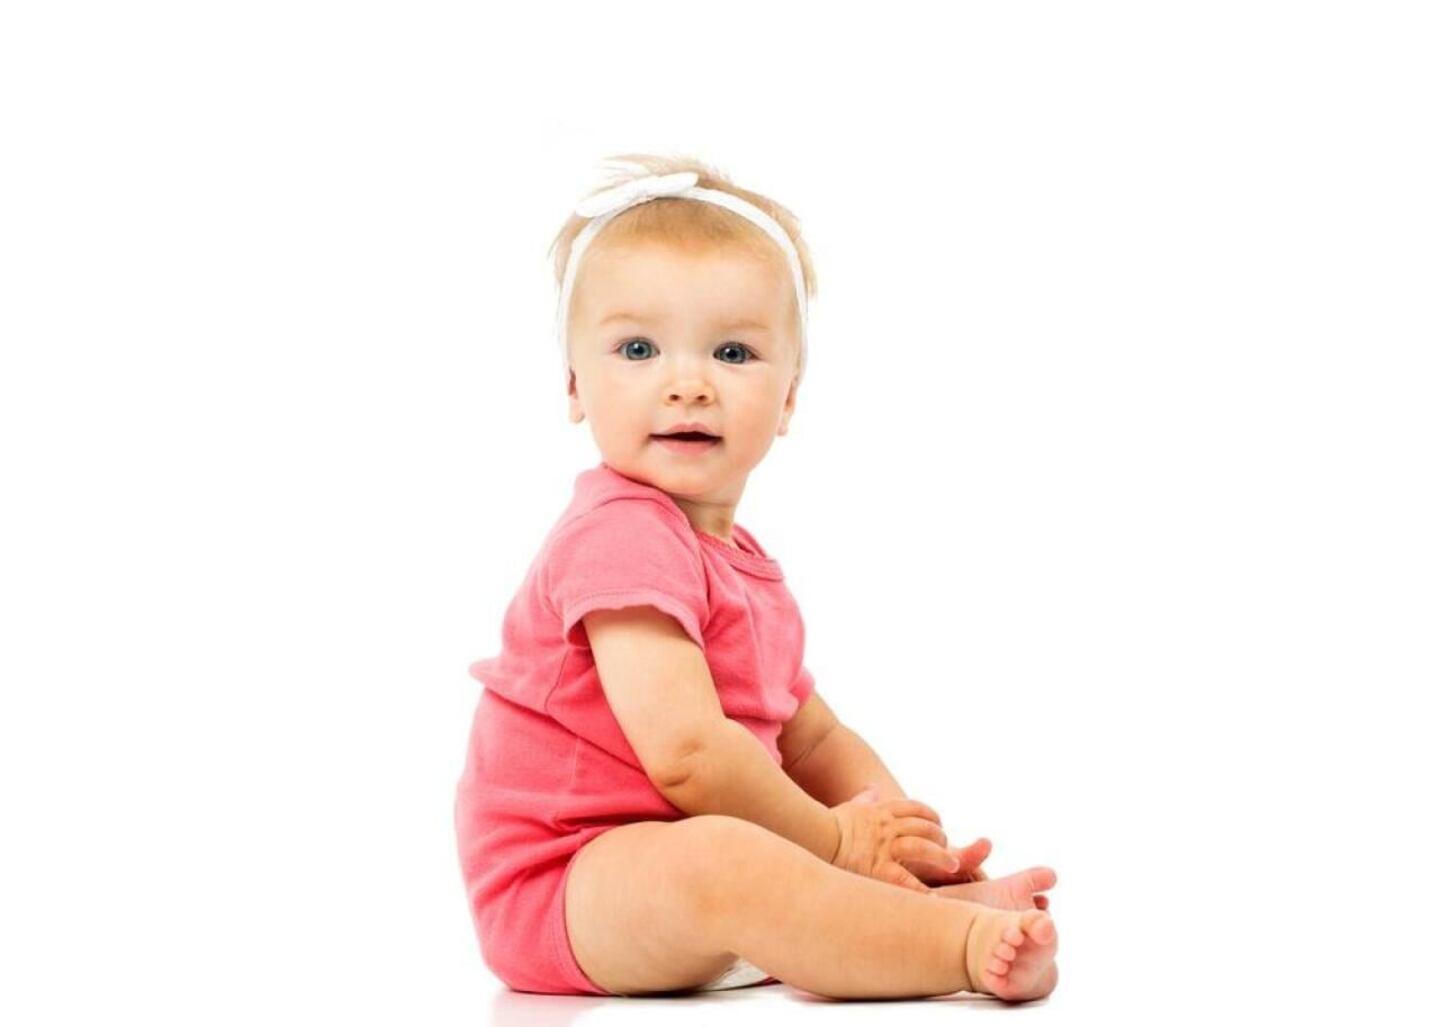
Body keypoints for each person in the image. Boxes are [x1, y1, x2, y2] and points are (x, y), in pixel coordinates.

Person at [454, 153, 1059, 1000]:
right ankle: (955, 946)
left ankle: (920, 907)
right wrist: (838, 842)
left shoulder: (743, 566)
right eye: (638, 348)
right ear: (574, 383)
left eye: (733, 352)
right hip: (567, 880)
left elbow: (812, 741)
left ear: (789, 399)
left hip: (691, 868)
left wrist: (899, 839)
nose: (688, 384)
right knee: (728, 855)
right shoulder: (618, 535)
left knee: (750, 851)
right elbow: (689, 757)